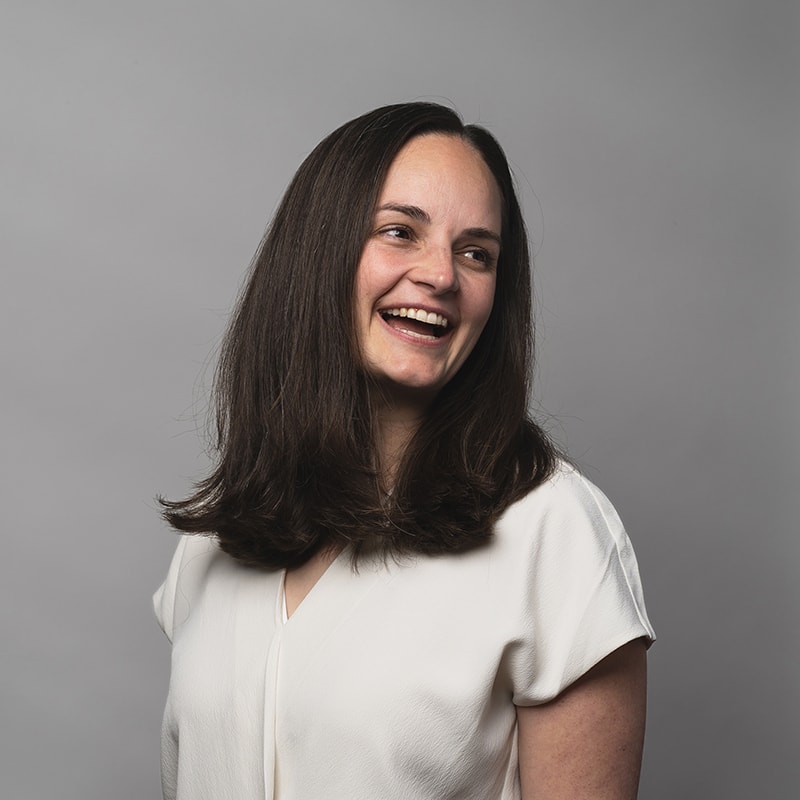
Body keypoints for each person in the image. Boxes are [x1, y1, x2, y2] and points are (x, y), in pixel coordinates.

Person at [154, 102, 655, 800]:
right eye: (400, 232)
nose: (442, 276)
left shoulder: (556, 536)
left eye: (475, 252)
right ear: (319, 252)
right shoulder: (215, 542)